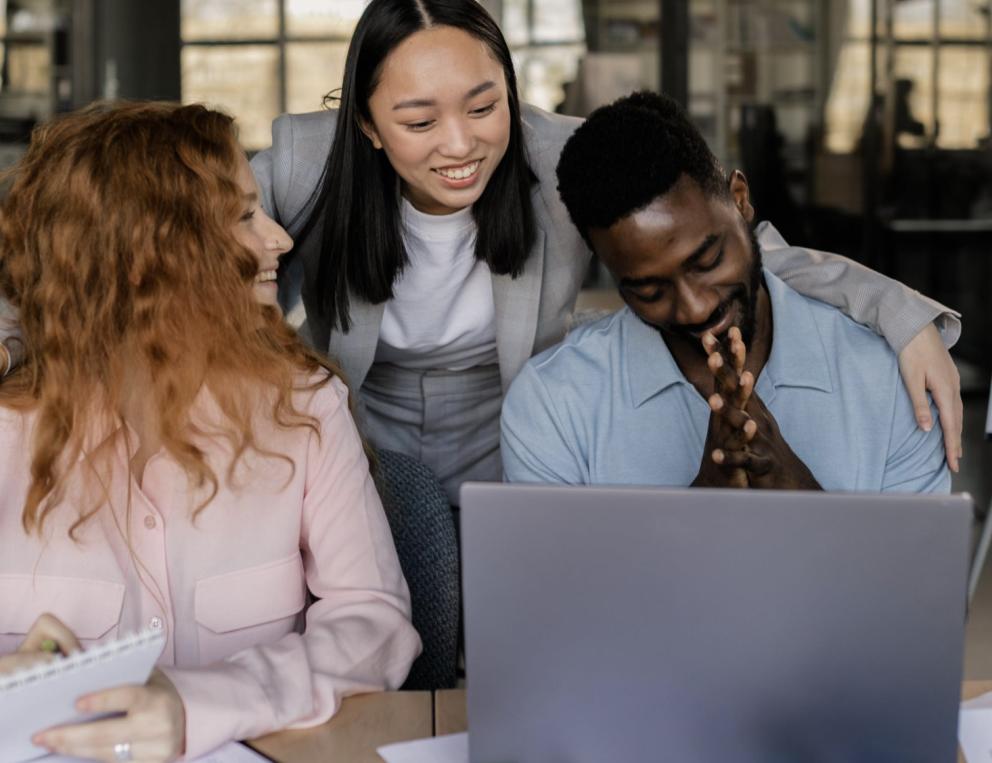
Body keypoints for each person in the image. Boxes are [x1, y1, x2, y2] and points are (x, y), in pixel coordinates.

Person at [0, 0, 964, 502]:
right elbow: (137, 235)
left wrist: (901, 315)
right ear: (370, 127)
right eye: (418, 120)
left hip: (510, 425)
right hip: (364, 428)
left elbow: (731, 248)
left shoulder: (561, 158)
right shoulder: (304, 161)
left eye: (484, 104)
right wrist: (17, 336)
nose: (460, 145)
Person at [0, 102, 420, 762]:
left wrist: (205, 703)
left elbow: (376, 623)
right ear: (148, 254)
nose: (279, 239)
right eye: (243, 216)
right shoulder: (7, 432)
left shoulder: (305, 407)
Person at [501, 91, 948, 493]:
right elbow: (559, 585)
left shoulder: (890, 381)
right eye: (649, 289)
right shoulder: (553, 404)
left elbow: (915, 583)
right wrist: (706, 504)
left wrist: (799, 496)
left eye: (708, 261)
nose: (695, 308)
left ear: (740, 198)